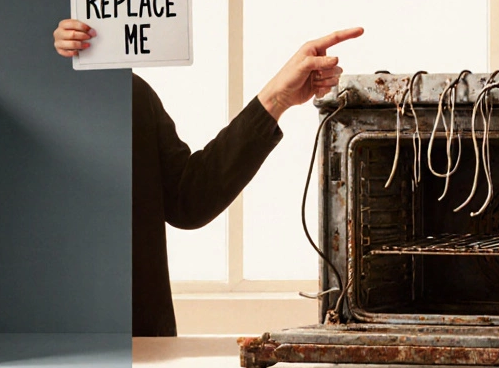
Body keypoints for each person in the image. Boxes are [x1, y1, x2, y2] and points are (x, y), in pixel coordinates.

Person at [53, 19, 364, 336]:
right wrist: (43, 63)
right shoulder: (43, 91)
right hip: (40, 346)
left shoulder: (133, 97)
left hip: (139, 350)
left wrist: (276, 98)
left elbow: (190, 201)